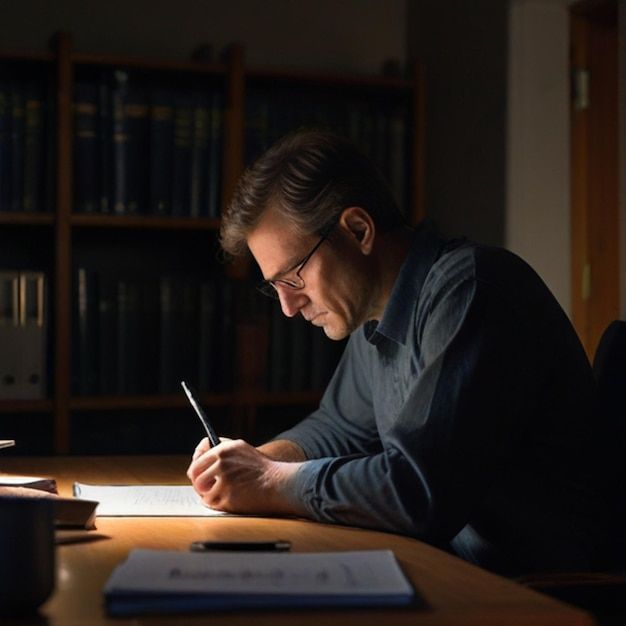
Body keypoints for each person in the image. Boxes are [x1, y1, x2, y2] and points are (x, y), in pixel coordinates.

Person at [187, 129, 612, 576]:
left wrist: (271, 482)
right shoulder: (372, 311)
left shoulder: (471, 290)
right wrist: (258, 459)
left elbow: (418, 490)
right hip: (455, 566)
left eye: (294, 276)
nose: (289, 307)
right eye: (276, 287)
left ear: (358, 230)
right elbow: (341, 427)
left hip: (541, 588)